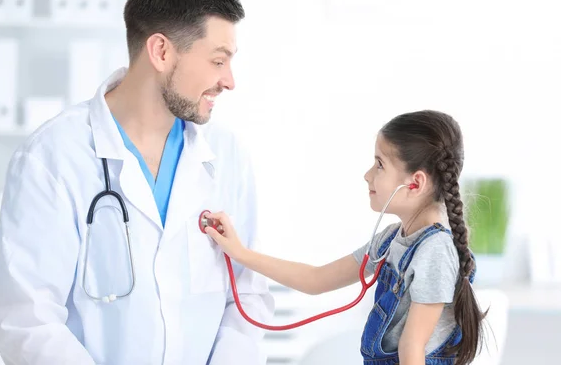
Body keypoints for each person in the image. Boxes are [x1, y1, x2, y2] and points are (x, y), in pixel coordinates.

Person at [0, 0, 274, 365]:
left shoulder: (226, 155)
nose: (229, 81)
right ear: (160, 51)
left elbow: (247, 297)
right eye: (217, 61)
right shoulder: (52, 158)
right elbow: (28, 319)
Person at [204, 110, 487, 365]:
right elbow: (316, 280)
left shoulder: (435, 251)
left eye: (379, 165)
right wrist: (240, 253)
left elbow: (411, 347)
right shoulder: (391, 240)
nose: (367, 175)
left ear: (415, 183)